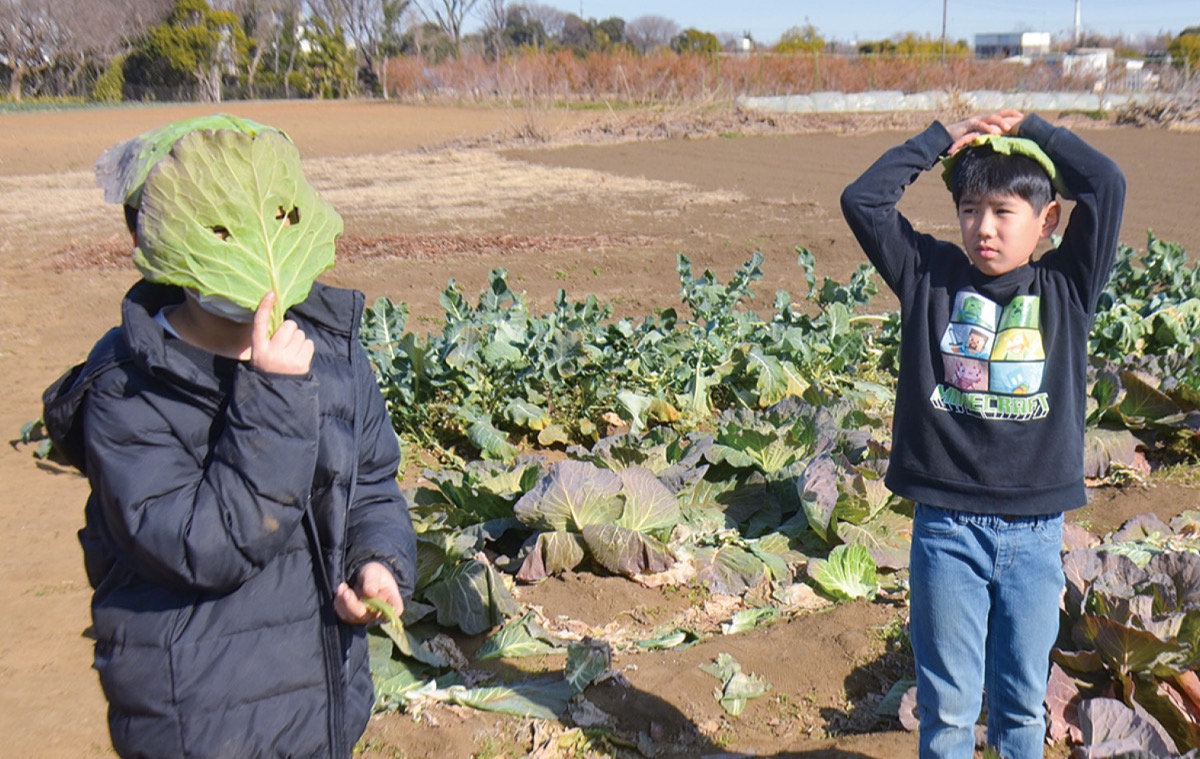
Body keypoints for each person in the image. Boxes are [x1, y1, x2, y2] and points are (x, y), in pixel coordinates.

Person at [42, 114, 418, 759]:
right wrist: (274, 394)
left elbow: (371, 484)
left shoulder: (328, 351)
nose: (259, 249)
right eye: (222, 231)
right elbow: (202, 546)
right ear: (167, 244)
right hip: (200, 717)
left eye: (279, 219)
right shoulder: (129, 393)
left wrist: (376, 562)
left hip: (321, 697)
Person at [840, 110, 1126, 758]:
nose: (984, 227)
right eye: (970, 209)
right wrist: (942, 139)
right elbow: (863, 199)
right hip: (947, 529)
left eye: (1003, 210)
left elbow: (1106, 184)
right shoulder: (929, 275)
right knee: (946, 707)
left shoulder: (1066, 287)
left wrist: (1033, 129)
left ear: (1047, 220)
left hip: (1033, 533)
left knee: (1022, 705)